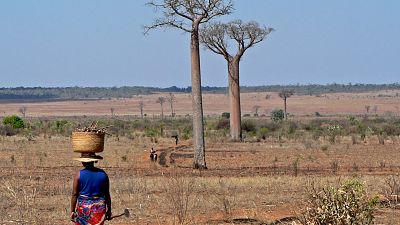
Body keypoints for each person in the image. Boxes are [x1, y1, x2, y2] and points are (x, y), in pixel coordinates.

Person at [70, 153, 112, 224]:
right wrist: (109, 210)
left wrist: (72, 211)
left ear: (83, 162)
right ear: (94, 161)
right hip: (99, 209)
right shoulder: (103, 174)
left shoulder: (79, 175)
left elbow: (75, 194)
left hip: (83, 209)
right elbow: (107, 195)